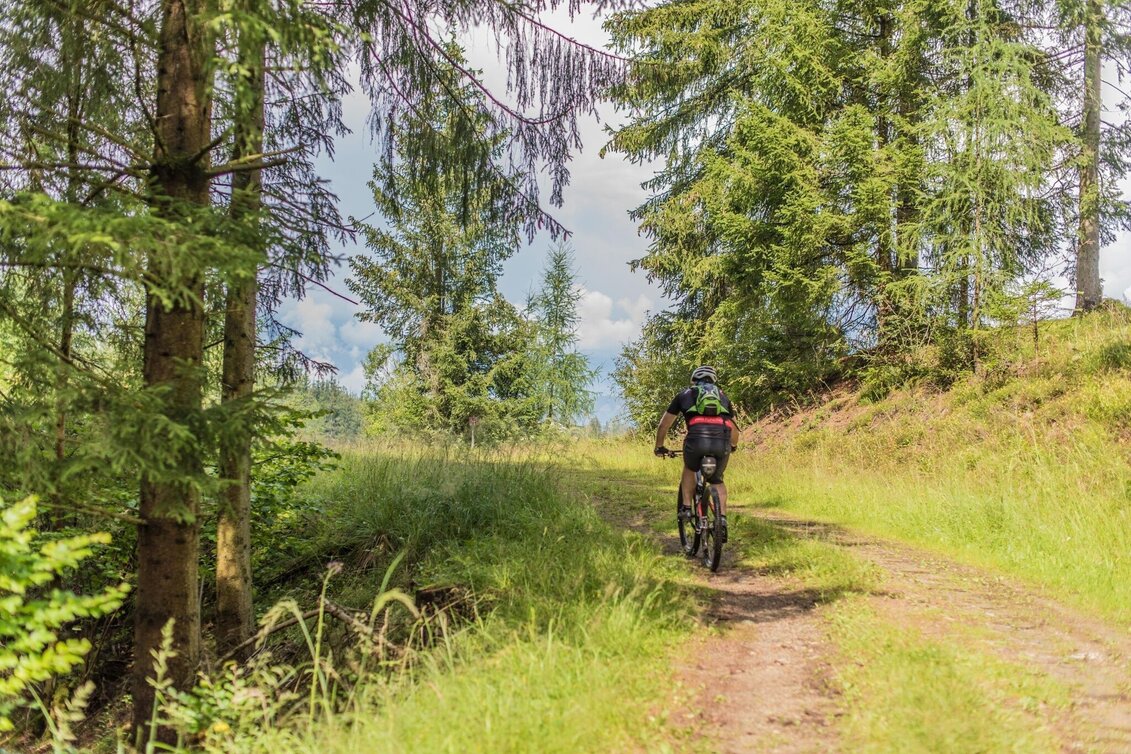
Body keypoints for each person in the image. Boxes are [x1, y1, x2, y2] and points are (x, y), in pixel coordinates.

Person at [654, 365, 739, 539]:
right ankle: (721, 520)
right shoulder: (723, 397)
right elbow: (735, 429)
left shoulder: (685, 395)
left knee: (690, 467)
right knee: (717, 480)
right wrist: (732, 446)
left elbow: (664, 425)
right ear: (713, 380)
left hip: (696, 441)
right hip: (721, 442)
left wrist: (659, 446)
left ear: (694, 380)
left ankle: (686, 508)